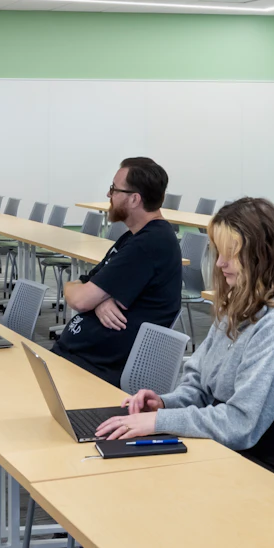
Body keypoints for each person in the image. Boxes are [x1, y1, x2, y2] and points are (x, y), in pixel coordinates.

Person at [97, 197, 274, 494]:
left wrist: (158, 421)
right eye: (218, 252)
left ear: (261, 255)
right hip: (228, 454)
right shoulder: (241, 303)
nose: (220, 264)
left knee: (146, 488)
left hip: (271, 477)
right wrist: (166, 403)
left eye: (230, 254)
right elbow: (200, 385)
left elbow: (241, 424)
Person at [51, 157, 183, 385]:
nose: (108, 195)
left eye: (114, 189)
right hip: (77, 359)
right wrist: (99, 299)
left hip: (97, 372)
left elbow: (81, 299)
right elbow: (80, 284)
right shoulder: (133, 238)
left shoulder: (149, 244)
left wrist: (92, 296)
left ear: (134, 199)